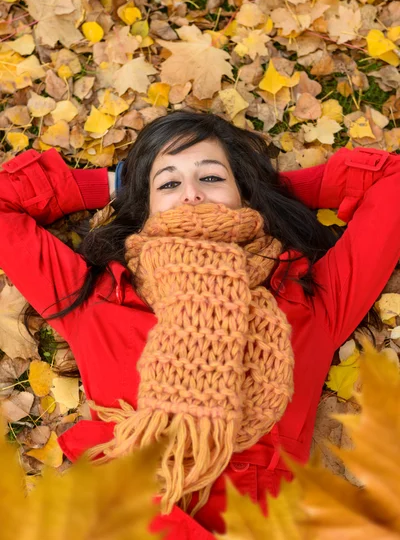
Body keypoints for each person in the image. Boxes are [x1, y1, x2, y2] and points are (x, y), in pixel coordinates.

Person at [1, 110, 399, 539]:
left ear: (242, 194)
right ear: (146, 205)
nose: (191, 193)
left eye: (211, 177)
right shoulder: (99, 298)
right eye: (168, 183)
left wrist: (265, 184)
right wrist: (117, 183)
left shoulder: (311, 302)